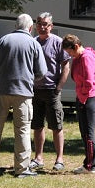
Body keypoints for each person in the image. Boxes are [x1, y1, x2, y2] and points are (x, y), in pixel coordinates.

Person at [0, 14, 47, 178]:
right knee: (22, 130)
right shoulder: (33, 43)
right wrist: (30, 77)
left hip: (1, 90)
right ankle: (22, 168)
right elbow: (42, 72)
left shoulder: (4, 40)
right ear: (30, 28)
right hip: (23, 92)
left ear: (16, 25)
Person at [29, 12, 70, 172]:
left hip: (51, 91)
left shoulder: (58, 43)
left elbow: (66, 66)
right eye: (39, 23)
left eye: (45, 24)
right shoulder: (32, 42)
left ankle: (59, 159)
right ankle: (38, 158)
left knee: (56, 126)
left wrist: (58, 87)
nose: (41, 26)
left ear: (51, 26)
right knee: (37, 126)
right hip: (35, 91)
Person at [61, 34, 95, 173]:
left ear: (76, 47)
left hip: (89, 99)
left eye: (70, 52)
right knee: (85, 133)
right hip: (83, 98)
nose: (70, 55)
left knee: (88, 134)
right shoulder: (78, 58)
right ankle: (93, 163)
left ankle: (90, 166)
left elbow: (89, 82)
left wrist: (83, 98)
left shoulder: (86, 58)